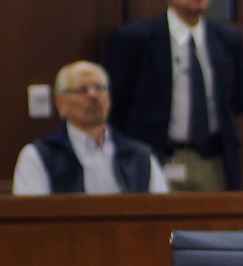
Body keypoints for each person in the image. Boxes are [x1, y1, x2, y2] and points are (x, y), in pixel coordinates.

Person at [105, 0, 243, 191]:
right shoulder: (136, 38)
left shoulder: (228, 38)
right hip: (155, 156)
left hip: (212, 159)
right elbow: (116, 102)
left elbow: (239, 99)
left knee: (213, 224)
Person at [12, 61, 167, 195]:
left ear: (109, 99)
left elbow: (160, 213)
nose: (93, 95)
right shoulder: (38, 156)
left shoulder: (140, 156)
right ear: (60, 103)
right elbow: (32, 220)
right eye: (82, 90)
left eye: (100, 88)